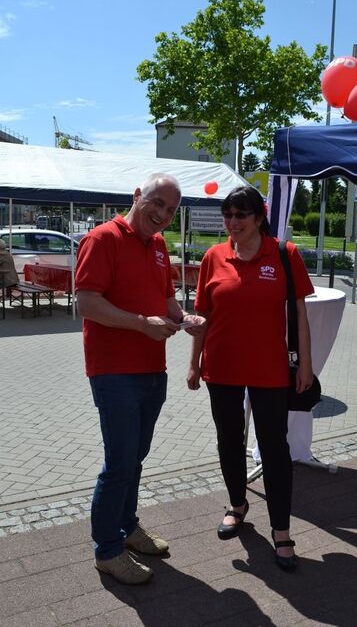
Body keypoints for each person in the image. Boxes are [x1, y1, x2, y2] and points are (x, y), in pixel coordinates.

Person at [75, 174, 205, 585]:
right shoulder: (102, 238)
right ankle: (107, 551)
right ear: (137, 196)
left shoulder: (159, 246)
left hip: (153, 368)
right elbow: (86, 303)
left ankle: (127, 528)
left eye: (170, 210)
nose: (163, 215)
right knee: (119, 463)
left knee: (135, 457)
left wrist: (184, 318)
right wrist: (140, 324)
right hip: (114, 372)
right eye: (157, 203)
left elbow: (166, 299)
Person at [187, 185, 314, 572]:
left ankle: (281, 530)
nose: (233, 222)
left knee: (275, 448)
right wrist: (194, 363)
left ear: (259, 217)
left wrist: (305, 364)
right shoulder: (213, 256)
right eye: (228, 215)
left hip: (269, 369)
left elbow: (299, 316)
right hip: (221, 367)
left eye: (240, 215)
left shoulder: (283, 253)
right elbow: (202, 317)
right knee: (229, 440)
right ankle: (237, 504)